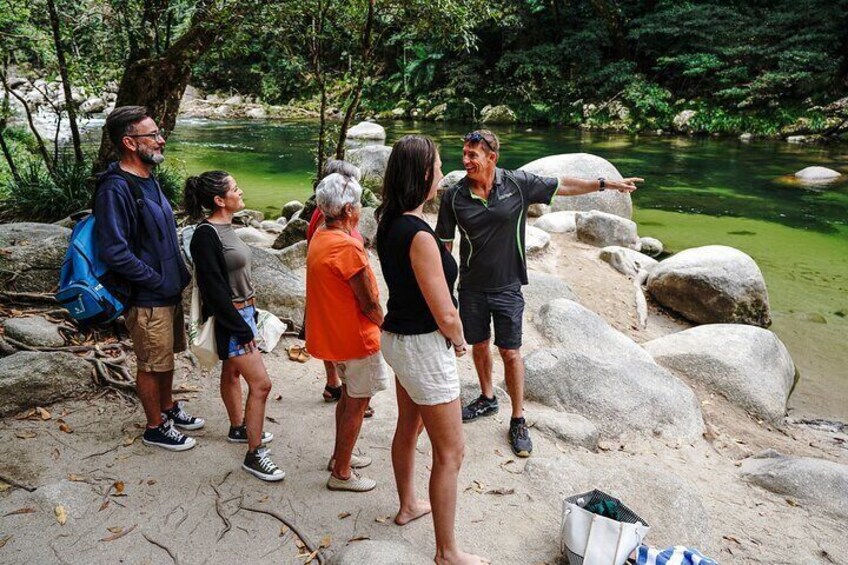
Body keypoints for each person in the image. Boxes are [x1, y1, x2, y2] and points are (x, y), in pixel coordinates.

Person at [435, 129, 642, 457]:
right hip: (472, 287)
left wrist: (605, 184)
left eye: (472, 155)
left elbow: (564, 185)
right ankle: (488, 398)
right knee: (479, 344)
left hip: (508, 286)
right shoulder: (454, 196)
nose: (465, 161)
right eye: (464, 154)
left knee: (511, 353)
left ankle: (518, 418)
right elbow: (444, 248)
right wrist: (443, 293)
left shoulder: (517, 183)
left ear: (492, 157)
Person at [377, 135, 489, 565]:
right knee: (451, 450)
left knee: (409, 425)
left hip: (399, 339)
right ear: (423, 174)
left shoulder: (390, 220)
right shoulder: (418, 234)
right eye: (439, 167)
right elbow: (444, 312)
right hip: (422, 345)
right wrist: (460, 340)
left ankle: (408, 505)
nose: (444, 174)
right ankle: (447, 553)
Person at [96, 106, 197, 451]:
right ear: (129, 142)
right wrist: (154, 280)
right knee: (151, 364)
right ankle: (155, 427)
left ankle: (167, 409)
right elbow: (114, 251)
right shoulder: (114, 189)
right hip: (146, 296)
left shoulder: (148, 177)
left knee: (166, 357)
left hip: (167, 290)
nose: (160, 139)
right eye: (152, 135)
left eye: (158, 132)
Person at [184, 171, 285, 482]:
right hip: (232, 318)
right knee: (262, 385)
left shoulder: (227, 227)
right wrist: (242, 329)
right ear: (219, 200)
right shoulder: (205, 235)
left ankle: (238, 427)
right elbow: (214, 291)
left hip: (245, 312)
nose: (241, 192)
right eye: (235, 189)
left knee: (233, 372)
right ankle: (255, 455)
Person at [305, 173, 388, 492]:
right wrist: (387, 325)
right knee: (357, 402)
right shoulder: (346, 247)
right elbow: (367, 302)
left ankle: (340, 456)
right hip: (356, 338)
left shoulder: (321, 235)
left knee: (347, 398)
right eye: (360, 206)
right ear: (350, 209)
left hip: (334, 337)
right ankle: (341, 472)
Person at [304, 159, 373, 418]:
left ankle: (335, 384)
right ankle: (347, 392)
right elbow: (366, 300)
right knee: (356, 386)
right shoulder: (343, 237)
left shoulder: (320, 220)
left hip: (324, 293)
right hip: (344, 311)